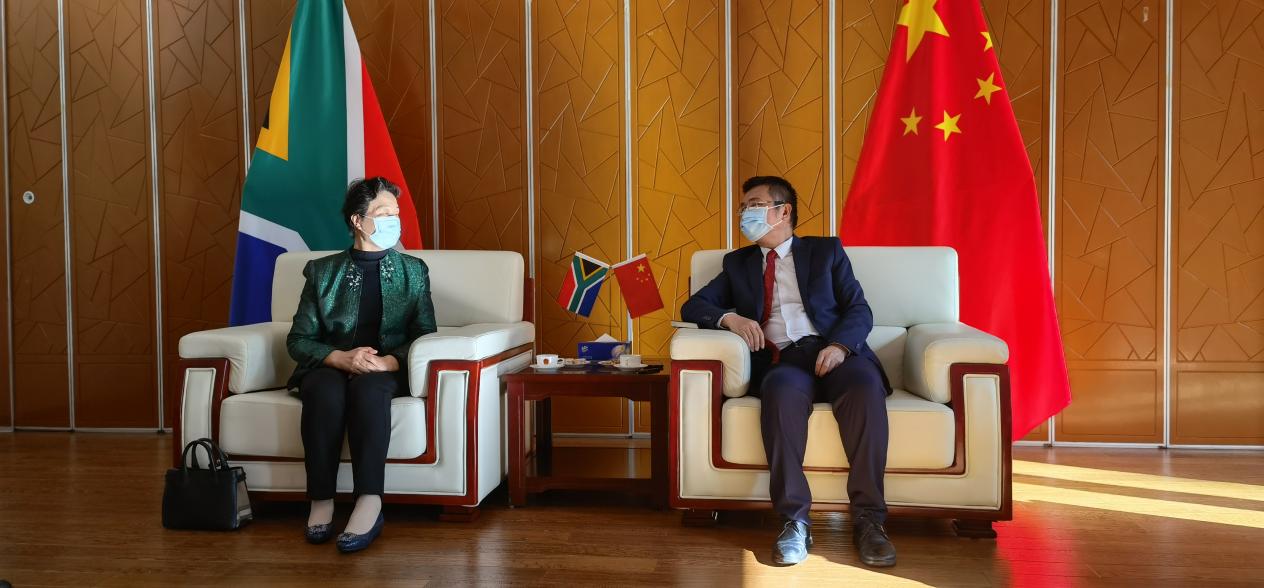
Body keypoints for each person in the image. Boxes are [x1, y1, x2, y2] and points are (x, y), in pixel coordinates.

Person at [680, 176, 896, 567]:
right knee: (778, 393)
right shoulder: (738, 263)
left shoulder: (826, 251)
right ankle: (794, 521)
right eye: (743, 206)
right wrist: (730, 318)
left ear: (783, 211)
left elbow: (859, 309)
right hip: (785, 361)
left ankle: (869, 520)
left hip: (837, 353)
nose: (745, 213)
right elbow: (694, 306)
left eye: (755, 204)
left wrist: (839, 347)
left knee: (865, 387)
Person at [286, 176, 436, 553]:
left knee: (370, 391)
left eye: (396, 214)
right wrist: (339, 358)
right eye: (384, 214)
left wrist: (388, 362)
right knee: (322, 390)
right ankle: (321, 500)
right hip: (331, 366)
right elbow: (298, 339)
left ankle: (369, 502)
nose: (394, 222)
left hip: (385, 371)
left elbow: (425, 335)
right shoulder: (321, 273)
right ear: (358, 220)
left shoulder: (414, 271)